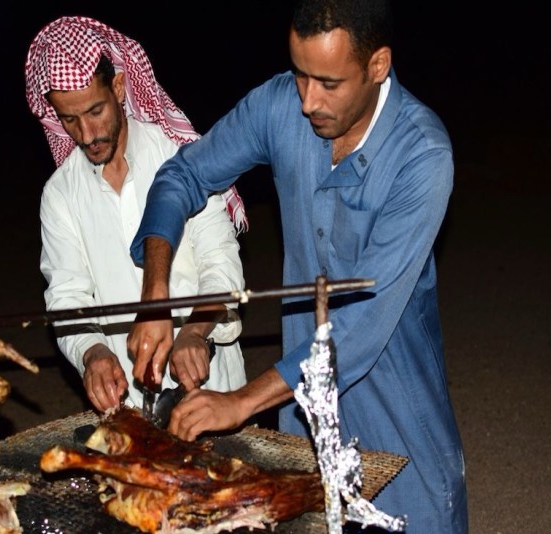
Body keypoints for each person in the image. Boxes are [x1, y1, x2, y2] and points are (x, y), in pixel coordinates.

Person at [127, 0, 467, 532]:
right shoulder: (278, 105)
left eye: (329, 83)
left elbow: (359, 327)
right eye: (300, 74)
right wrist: (156, 295)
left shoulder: (423, 154)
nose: (308, 102)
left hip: (394, 399)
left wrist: (241, 401)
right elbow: (181, 177)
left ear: (378, 66)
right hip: (299, 415)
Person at [24, 16, 249, 414]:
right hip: (126, 403)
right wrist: (92, 353)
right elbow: (67, 298)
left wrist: (195, 330)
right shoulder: (60, 195)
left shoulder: (182, 158)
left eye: (95, 111)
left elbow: (222, 264)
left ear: (120, 87)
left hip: (212, 385)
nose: (87, 134)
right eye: (70, 120)